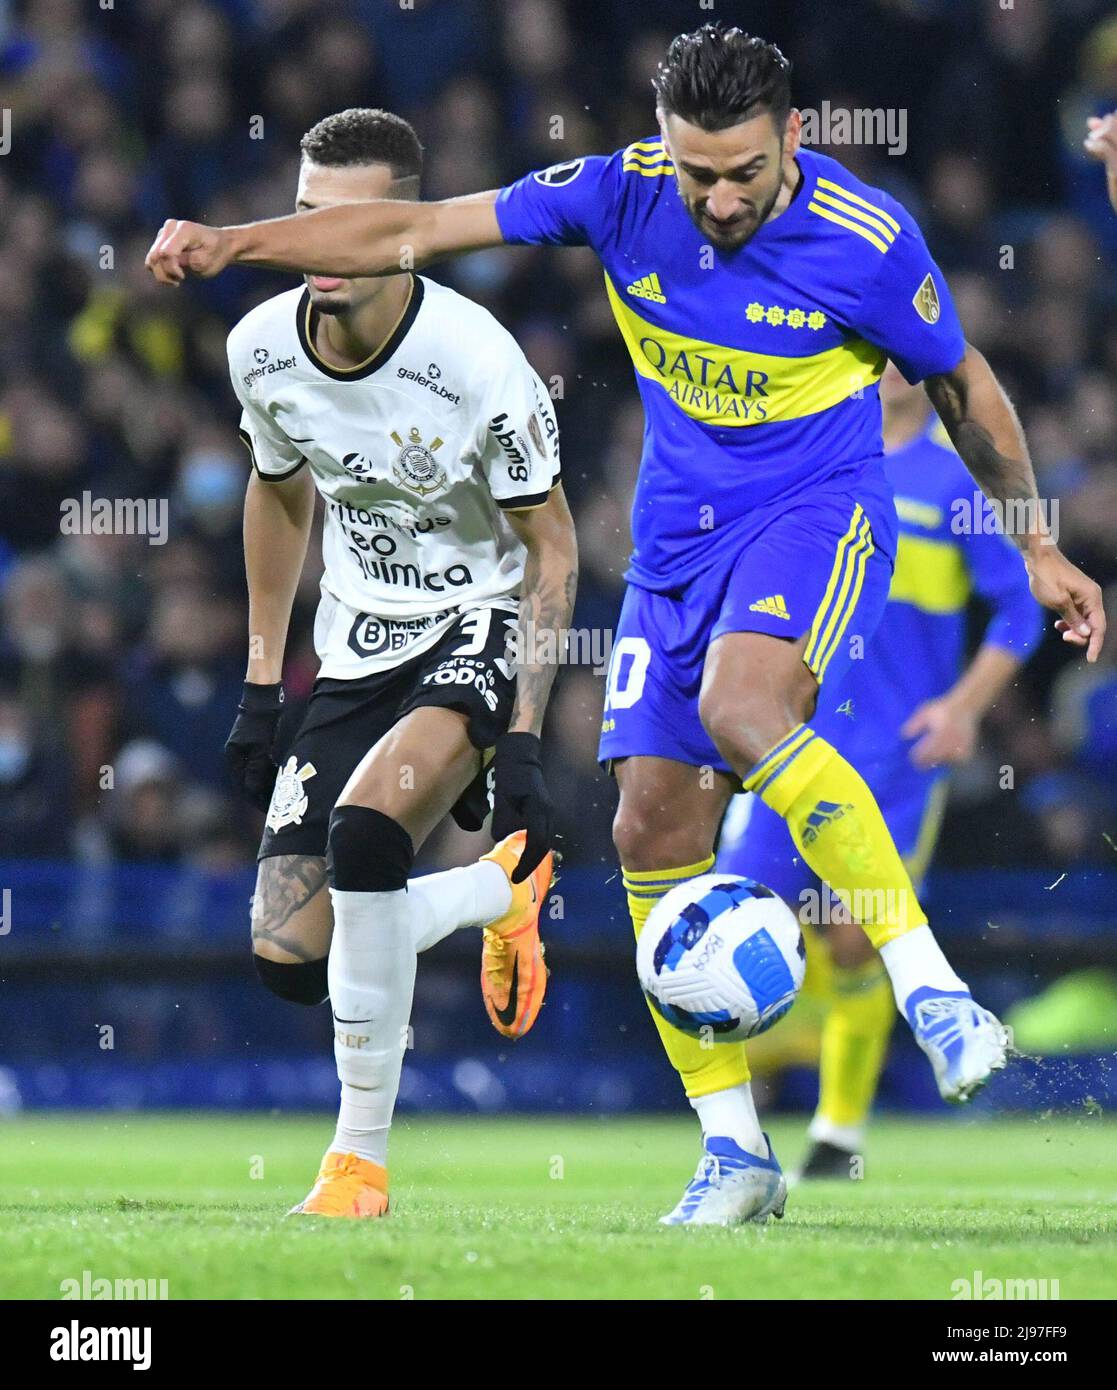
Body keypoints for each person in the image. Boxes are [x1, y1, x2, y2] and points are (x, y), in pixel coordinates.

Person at [146, 26, 1105, 1227]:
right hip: (675, 542)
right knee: (647, 818)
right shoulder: (616, 194)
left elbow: (962, 381)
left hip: (815, 508)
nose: (716, 199)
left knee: (741, 713)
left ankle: (931, 987)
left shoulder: (866, 242)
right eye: (695, 170)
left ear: (793, 138)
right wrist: (239, 244)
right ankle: (735, 1152)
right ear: (662, 144)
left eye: (743, 173)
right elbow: (408, 228)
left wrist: (1033, 542)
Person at [222, 108, 578, 1218]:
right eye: (305, 215)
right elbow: (279, 491)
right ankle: (495, 890)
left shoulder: (477, 360)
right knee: (290, 954)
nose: (323, 242)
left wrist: (520, 732)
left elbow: (550, 543)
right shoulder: (261, 346)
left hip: (474, 616)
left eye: (354, 221)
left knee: (369, 833)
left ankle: (355, 1165)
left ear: (407, 234)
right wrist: (255, 677)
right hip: (353, 643)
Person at [718, 363, 1042, 1178]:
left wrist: (964, 706)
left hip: (896, 758)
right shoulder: (817, 454)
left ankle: (837, 1133)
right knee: (730, 924)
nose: (888, 362)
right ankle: (729, 1135)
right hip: (790, 743)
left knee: (858, 940)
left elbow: (1018, 608)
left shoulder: (952, 480)